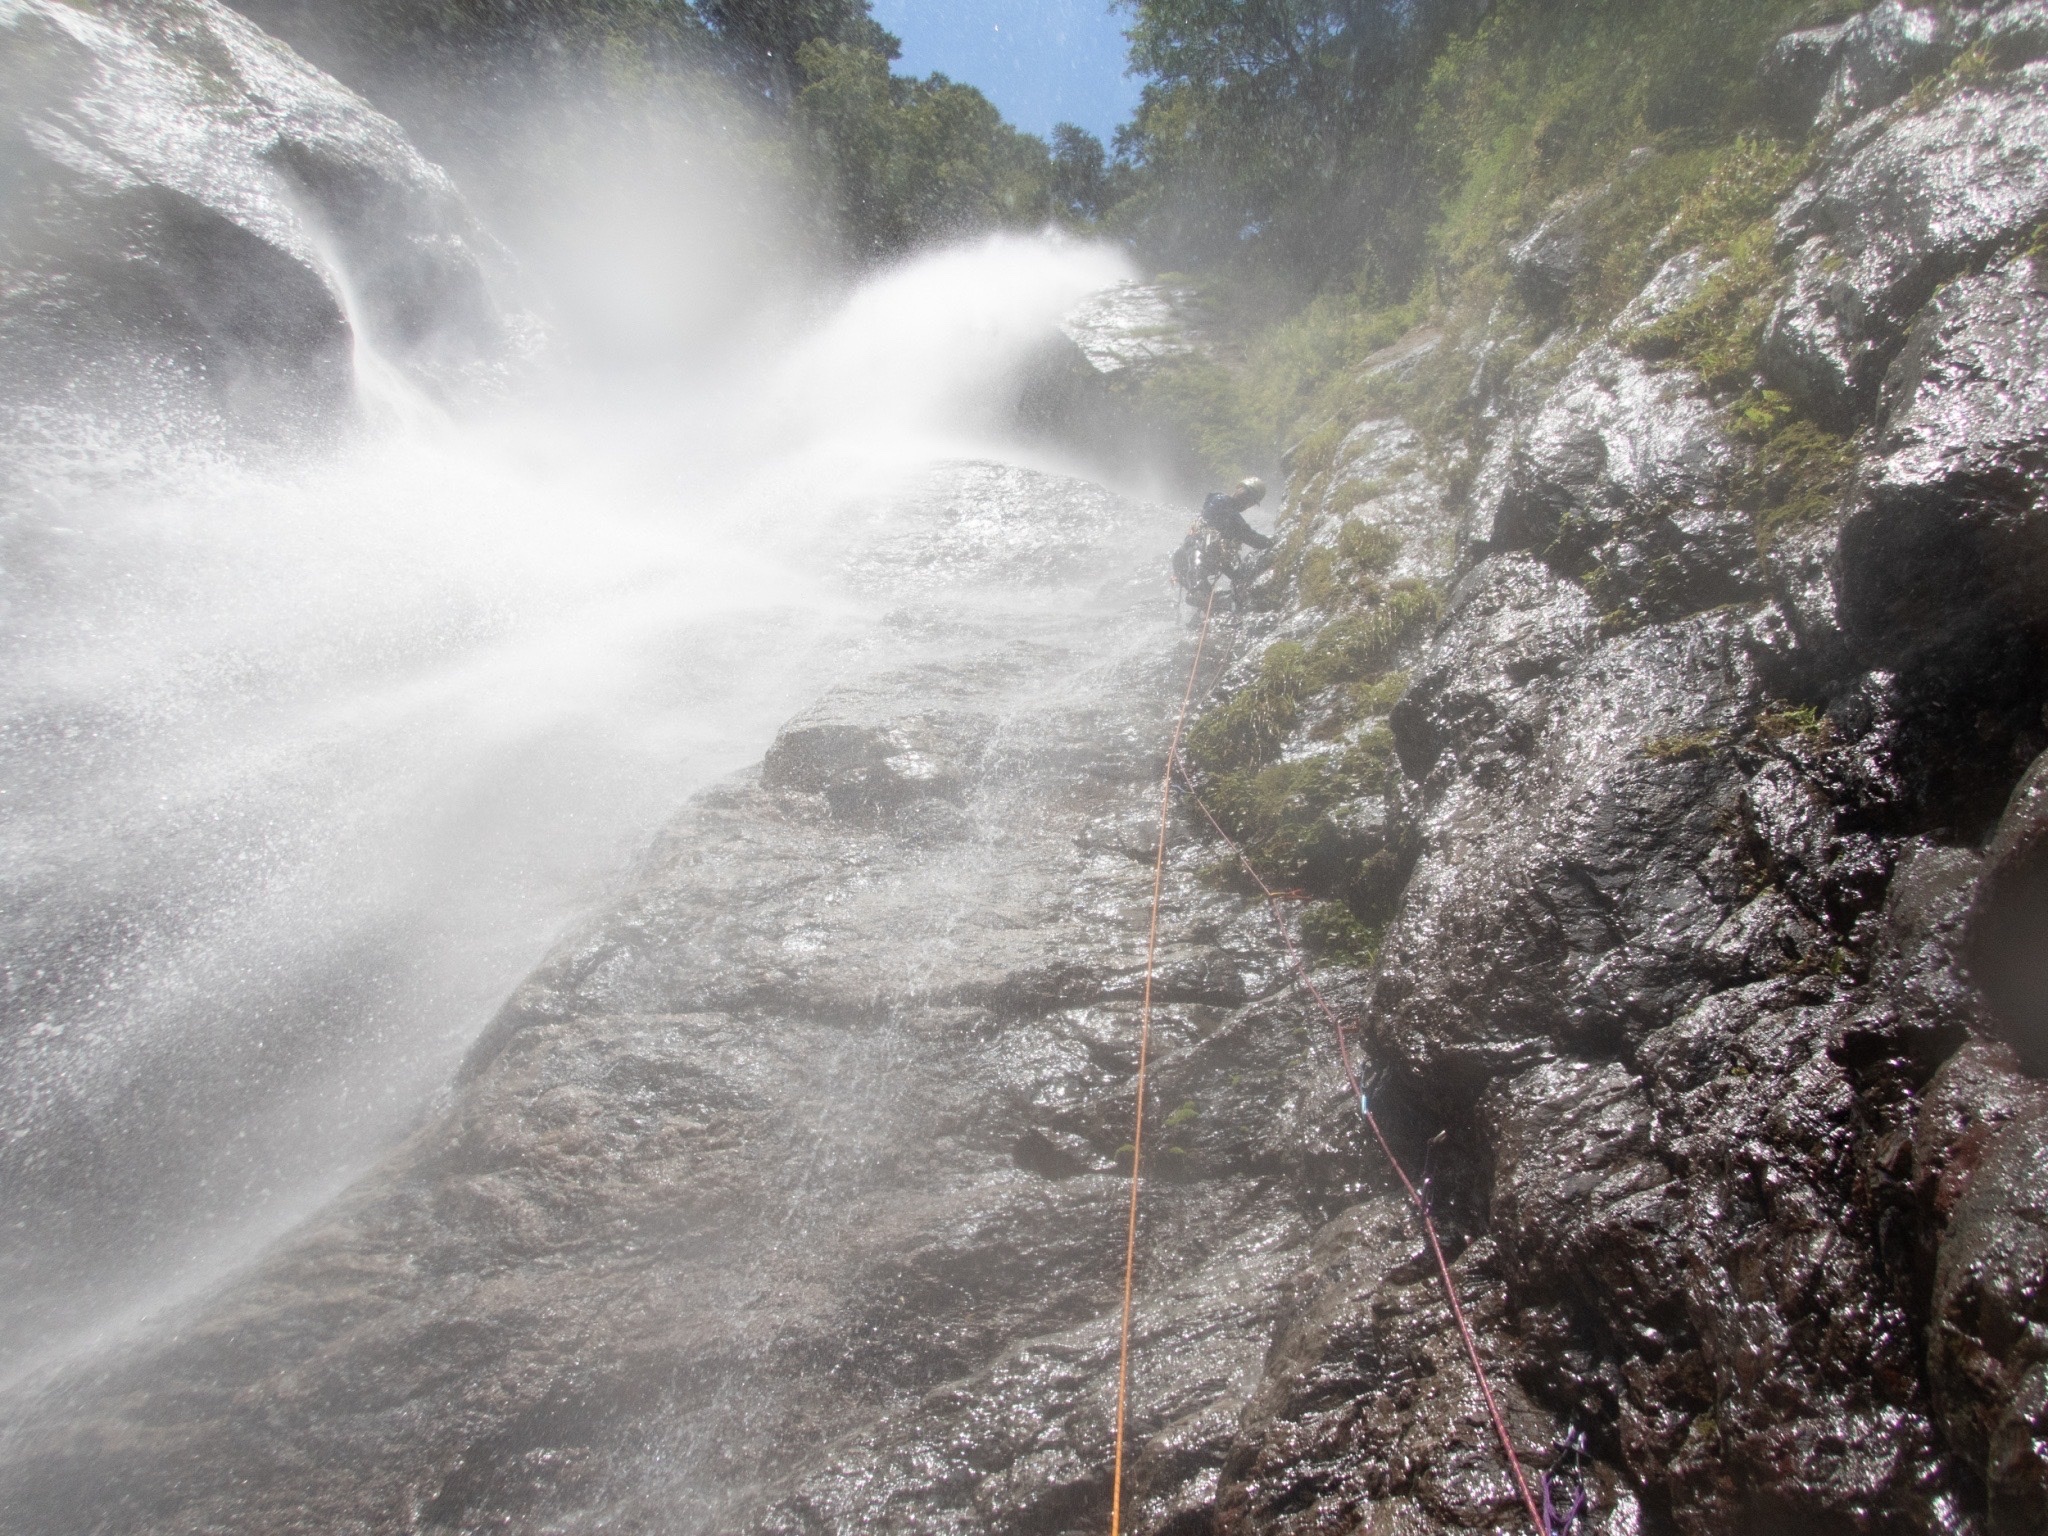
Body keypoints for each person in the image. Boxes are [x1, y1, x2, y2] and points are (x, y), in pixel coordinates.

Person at [1200, 476, 1272, 551]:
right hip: (1198, 551)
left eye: (1253, 500)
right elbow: (1247, 535)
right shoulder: (1221, 501)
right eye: (1247, 493)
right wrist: (1271, 541)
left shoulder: (1224, 504)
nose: (1247, 499)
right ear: (1239, 487)